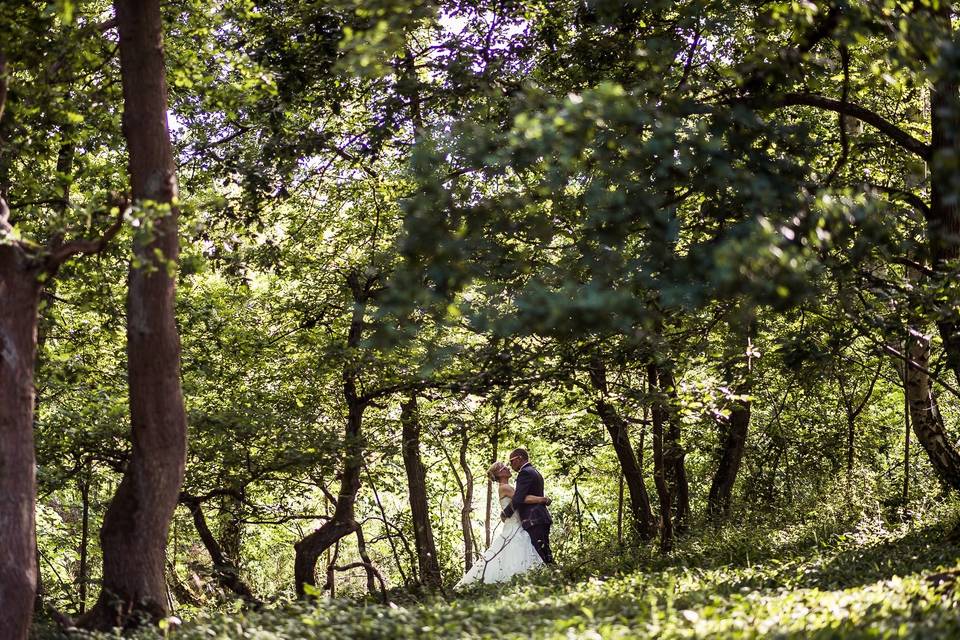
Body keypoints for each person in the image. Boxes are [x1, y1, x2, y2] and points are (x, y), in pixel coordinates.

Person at [454, 459, 551, 587]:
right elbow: (523, 499)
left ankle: (523, 582)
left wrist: (504, 513)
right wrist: (543, 499)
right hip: (514, 526)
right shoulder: (505, 487)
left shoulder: (507, 487)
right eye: (503, 467)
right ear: (499, 474)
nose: (507, 467)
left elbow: (514, 504)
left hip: (516, 524)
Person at [501, 448, 554, 564]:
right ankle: (555, 576)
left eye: (512, 461)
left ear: (519, 458)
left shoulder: (524, 473)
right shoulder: (534, 471)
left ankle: (554, 578)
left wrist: (506, 513)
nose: (511, 464)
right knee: (545, 551)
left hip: (533, 518)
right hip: (541, 516)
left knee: (540, 553)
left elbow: (519, 498)